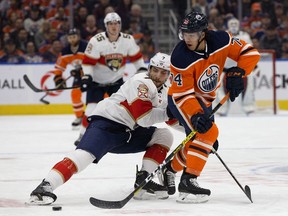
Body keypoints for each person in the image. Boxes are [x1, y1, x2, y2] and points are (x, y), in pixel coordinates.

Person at [28, 52, 176, 205]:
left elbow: (170, 118)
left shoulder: (166, 91)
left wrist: (193, 126)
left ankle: (143, 184)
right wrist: (168, 113)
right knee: (84, 156)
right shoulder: (141, 82)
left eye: (163, 72)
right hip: (107, 124)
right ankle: (45, 187)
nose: (158, 75)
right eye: (155, 70)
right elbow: (144, 119)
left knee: (164, 136)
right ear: (149, 68)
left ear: (168, 75)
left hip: (128, 132)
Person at [165, 11, 260, 203]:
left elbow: (250, 53)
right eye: (184, 34)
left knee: (207, 142)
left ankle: (169, 169)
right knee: (207, 133)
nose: (187, 38)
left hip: (205, 100)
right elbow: (182, 94)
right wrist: (194, 115)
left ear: (203, 33)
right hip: (181, 99)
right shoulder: (180, 56)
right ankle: (188, 182)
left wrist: (240, 72)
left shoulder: (222, 39)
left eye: (191, 34)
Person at [74, 12, 147, 145]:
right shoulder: (97, 41)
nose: (114, 26)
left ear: (120, 25)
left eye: (116, 23)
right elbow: (88, 63)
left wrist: (142, 70)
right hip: (97, 82)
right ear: (106, 26)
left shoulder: (128, 40)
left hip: (116, 82)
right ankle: (82, 135)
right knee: (91, 110)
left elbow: (137, 59)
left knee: (126, 108)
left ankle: (129, 132)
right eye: (111, 24)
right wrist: (87, 77)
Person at [216, 17, 260, 116]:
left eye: (235, 24)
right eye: (231, 24)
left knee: (249, 85)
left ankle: (249, 108)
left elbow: (250, 52)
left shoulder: (245, 36)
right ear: (227, 25)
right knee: (219, 88)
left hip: (241, 70)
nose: (234, 26)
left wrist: (255, 66)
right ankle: (220, 110)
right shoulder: (223, 36)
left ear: (239, 24)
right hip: (224, 70)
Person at [53, 28, 87, 129]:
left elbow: (94, 62)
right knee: (75, 94)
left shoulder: (87, 47)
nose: (72, 39)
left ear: (78, 37)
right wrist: (58, 77)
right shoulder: (65, 51)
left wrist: (81, 70)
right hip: (79, 75)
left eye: (74, 37)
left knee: (102, 94)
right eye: (70, 37)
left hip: (93, 74)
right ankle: (80, 116)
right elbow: (59, 66)